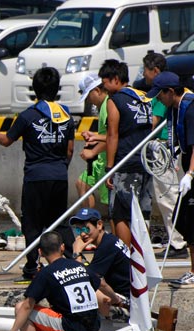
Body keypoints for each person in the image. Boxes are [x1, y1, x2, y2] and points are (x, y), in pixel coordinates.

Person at [0, 67, 75, 284]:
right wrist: (61, 167)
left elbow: (6, 140)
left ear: (35, 89)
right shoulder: (65, 114)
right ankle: (70, 260)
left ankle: (32, 266)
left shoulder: (28, 116)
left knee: (33, 223)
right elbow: (70, 149)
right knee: (60, 221)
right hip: (59, 175)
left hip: (36, 176)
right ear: (56, 89)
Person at [0, 231, 104, 331]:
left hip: (71, 328)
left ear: (40, 252)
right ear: (62, 247)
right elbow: (102, 285)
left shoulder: (46, 273)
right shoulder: (79, 265)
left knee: (20, 307)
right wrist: (116, 300)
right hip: (95, 325)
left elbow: (27, 306)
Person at [135, 53, 188, 259]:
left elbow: (153, 122)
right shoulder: (172, 88)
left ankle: (178, 241)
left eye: (145, 70)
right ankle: (174, 237)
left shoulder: (163, 90)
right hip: (172, 147)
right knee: (165, 197)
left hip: (165, 149)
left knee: (167, 196)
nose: (144, 75)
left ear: (155, 70)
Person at [147, 71, 194, 288]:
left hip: (192, 174)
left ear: (171, 92)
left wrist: (190, 174)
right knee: (183, 219)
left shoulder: (190, 108)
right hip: (186, 168)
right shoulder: (174, 109)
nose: (158, 99)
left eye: (160, 95)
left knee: (188, 220)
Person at [99, 59, 153, 247]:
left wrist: (110, 168)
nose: (103, 87)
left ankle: (127, 258)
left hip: (125, 163)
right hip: (145, 162)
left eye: (104, 82)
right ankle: (142, 258)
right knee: (142, 212)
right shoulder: (145, 98)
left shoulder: (115, 101)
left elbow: (112, 135)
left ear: (115, 79)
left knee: (121, 213)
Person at [69, 208, 130, 306]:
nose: (82, 234)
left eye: (86, 229)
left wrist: (77, 253)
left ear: (99, 225)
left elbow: (84, 279)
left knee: (79, 292)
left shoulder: (107, 246)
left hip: (127, 300)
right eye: (78, 229)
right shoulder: (109, 240)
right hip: (131, 294)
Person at [76, 73, 110, 210]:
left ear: (96, 90)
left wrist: (93, 151)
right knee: (82, 183)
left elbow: (113, 136)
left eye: (89, 96)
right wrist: (94, 136)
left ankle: (94, 224)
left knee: (112, 207)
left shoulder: (108, 105)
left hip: (107, 159)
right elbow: (106, 134)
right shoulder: (103, 106)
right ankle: (90, 222)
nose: (89, 101)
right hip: (100, 158)